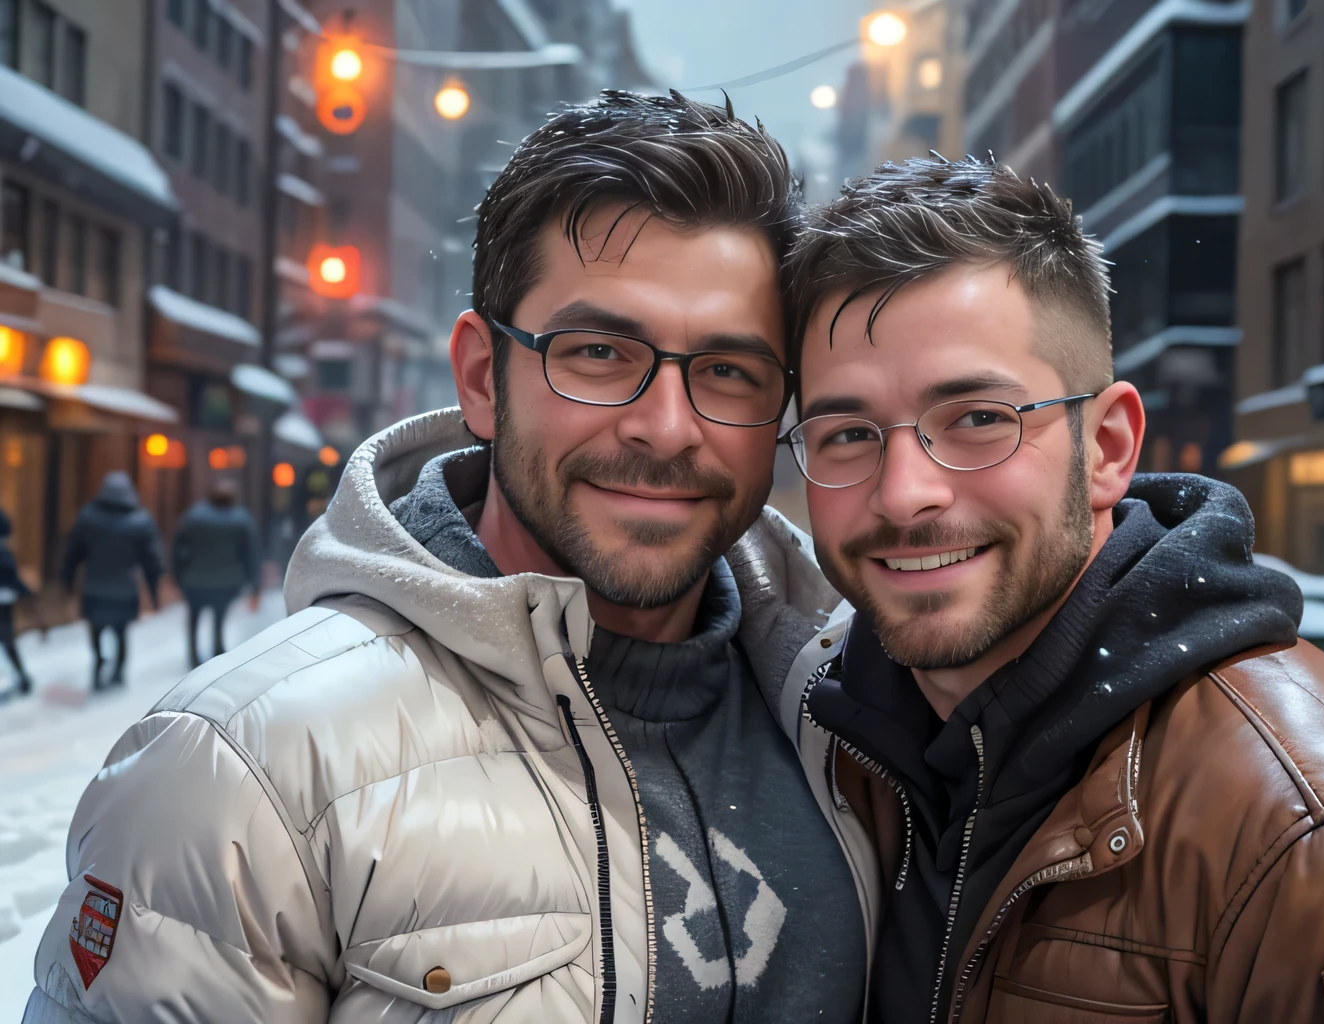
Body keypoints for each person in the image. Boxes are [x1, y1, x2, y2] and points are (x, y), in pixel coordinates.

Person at [26, 92, 875, 1023]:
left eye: (726, 372)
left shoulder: (860, 727)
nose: (667, 428)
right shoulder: (244, 776)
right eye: (596, 352)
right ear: (480, 377)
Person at [783, 156, 1324, 1023]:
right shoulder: (840, 758)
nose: (904, 491)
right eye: (846, 433)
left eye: (980, 419)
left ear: (1106, 448)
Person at [59, 471, 163, 689]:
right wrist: (154, 593)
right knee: (121, 632)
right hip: (125, 588)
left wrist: (66, 582)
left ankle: (98, 664)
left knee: (95, 630)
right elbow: (151, 561)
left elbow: (72, 554)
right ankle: (118, 671)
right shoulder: (141, 521)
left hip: (94, 586)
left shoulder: (87, 517)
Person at [172, 478, 262, 667]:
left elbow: (178, 548)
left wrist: (177, 575)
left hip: (194, 579)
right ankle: (218, 648)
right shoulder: (241, 519)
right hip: (227, 581)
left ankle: (193, 655)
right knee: (219, 616)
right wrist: (254, 584)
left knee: (194, 616)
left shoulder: (193, 516)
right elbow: (250, 553)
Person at [0, 507, 33, 696]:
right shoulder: (3, 551)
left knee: (8, 642)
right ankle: (23, 677)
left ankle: (22, 677)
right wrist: (26, 591)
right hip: (3, 601)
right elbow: (10, 577)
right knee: (8, 641)